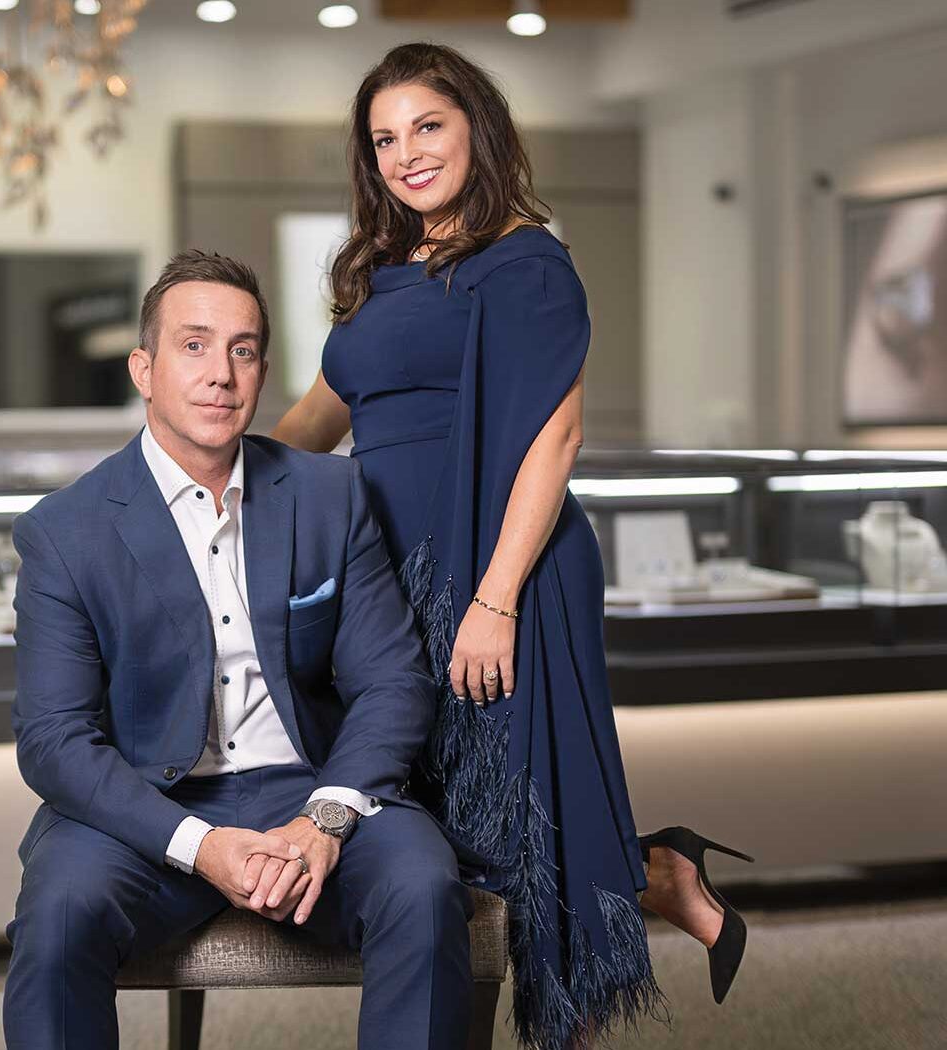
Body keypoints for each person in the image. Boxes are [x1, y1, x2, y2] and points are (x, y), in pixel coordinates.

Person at [272, 42, 754, 1050]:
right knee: (445, 834)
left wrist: (491, 600)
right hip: (392, 583)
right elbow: (319, 417)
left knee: (514, 836)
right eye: (383, 138)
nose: (405, 154)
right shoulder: (377, 272)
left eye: (426, 126)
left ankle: (607, 940)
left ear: (475, 125)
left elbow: (554, 437)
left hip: (506, 578)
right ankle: (651, 870)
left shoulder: (524, 259)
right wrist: (197, 470)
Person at [3, 250, 477, 1050]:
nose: (221, 373)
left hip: (314, 786)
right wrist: (203, 846)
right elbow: (53, 740)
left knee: (422, 887)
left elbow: (392, 682)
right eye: (194, 346)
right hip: (148, 809)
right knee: (57, 919)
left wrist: (326, 816)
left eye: (244, 349)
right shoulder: (65, 530)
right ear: (143, 369)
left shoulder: (329, 494)